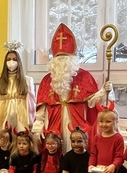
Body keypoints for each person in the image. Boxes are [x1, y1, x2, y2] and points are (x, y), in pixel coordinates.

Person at [32, 23, 111, 151]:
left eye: (65, 58)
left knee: (76, 149)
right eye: (59, 58)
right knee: (55, 152)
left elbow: (92, 103)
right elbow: (41, 109)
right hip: (54, 126)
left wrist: (103, 91)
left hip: (77, 124)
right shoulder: (47, 80)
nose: (62, 62)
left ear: (72, 59)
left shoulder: (84, 77)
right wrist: (38, 126)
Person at [0, 42, 36, 138]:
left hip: (21, 120)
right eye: (8, 59)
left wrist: (31, 123)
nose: (11, 62)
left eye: (14, 59)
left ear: (19, 62)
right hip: (4, 119)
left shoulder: (27, 81)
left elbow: (31, 103)